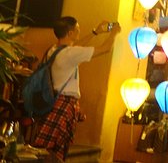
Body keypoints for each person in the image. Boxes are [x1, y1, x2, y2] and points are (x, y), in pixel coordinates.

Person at [32, 16, 120, 161]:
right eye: (77, 28)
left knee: (47, 147)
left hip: (53, 101)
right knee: (56, 148)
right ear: (70, 33)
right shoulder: (71, 54)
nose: (80, 30)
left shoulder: (53, 50)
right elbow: (106, 49)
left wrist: (95, 32)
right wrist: (114, 33)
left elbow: (74, 48)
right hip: (65, 104)